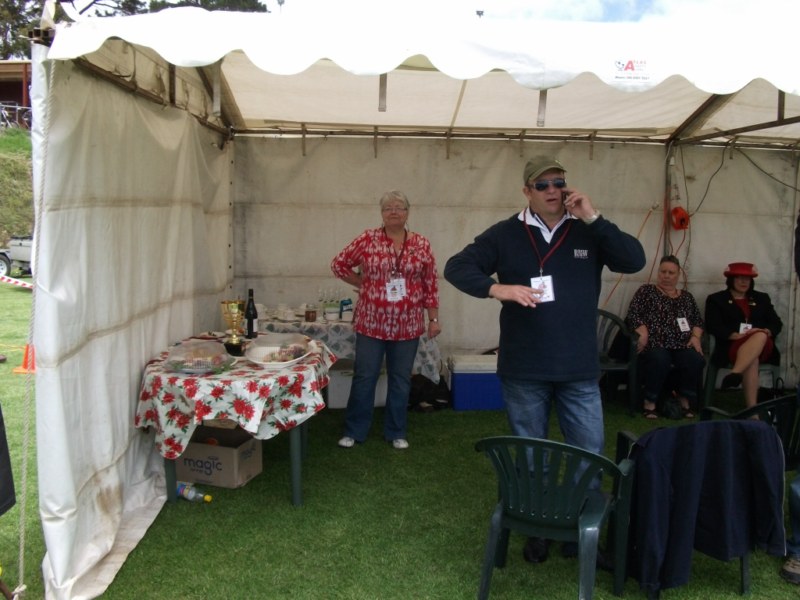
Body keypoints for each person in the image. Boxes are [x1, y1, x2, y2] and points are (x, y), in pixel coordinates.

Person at [444, 155, 645, 563]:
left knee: (589, 453)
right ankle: (535, 528)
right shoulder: (505, 233)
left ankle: (578, 530)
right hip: (525, 367)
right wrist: (496, 289)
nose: (552, 190)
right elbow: (456, 267)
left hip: (578, 367)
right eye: (542, 185)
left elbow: (634, 260)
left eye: (558, 183)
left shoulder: (587, 230)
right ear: (527, 191)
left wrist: (594, 217)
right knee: (532, 456)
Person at [331, 190, 441, 450]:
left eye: (399, 207)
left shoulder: (421, 244)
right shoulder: (368, 239)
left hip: (408, 325)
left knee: (401, 379)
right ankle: (354, 431)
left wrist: (433, 318)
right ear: (381, 213)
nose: (394, 212)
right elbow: (339, 264)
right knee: (364, 377)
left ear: (408, 213)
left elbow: (430, 283)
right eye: (388, 208)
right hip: (371, 323)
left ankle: (396, 431)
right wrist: (362, 282)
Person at [624, 255, 705, 420]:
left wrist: (696, 336)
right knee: (659, 359)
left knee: (695, 359)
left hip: (682, 343)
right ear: (658, 272)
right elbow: (633, 314)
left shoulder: (687, 297)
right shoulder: (646, 291)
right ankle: (650, 401)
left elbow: (697, 320)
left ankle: (684, 399)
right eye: (663, 272)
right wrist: (643, 332)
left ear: (678, 275)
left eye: (671, 273)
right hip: (656, 342)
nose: (666, 276)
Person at [704, 262, 782, 409]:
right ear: (731, 280)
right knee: (752, 360)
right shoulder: (716, 299)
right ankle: (753, 412)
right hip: (732, 346)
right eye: (739, 278)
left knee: (759, 335)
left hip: (764, 346)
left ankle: (736, 372)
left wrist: (766, 331)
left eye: (747, 279)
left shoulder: (762, 298)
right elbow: (713, 325)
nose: (744, 282)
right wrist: (734, 335)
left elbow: (776, 323)